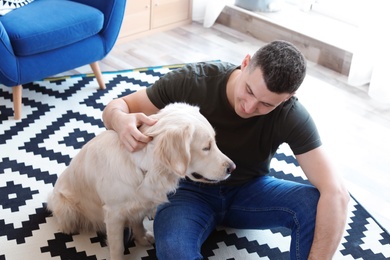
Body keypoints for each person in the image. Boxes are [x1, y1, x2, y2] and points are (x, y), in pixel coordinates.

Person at [102, 40, 350, 259]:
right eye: (249, 90)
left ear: (287, 98)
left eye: (265, 104)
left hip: (249, 192)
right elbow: (119, 106)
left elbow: (336, 192)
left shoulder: (291, 115)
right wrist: (119, 121)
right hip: (188, 192)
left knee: (316, 204)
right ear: (245, 63)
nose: (249, 106)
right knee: (174, 250)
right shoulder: (193, 82)